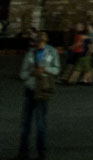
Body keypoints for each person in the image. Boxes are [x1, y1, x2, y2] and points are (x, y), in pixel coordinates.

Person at [17, 29, 61, 160]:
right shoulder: (30, 54)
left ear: (45, 41)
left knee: (41, 123)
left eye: (42, 41)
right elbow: (22, 74)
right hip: (30, 90)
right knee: (25, 123)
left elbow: (57, 69)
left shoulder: (52, 52)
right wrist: (31, 73)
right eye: (38, 41)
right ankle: (23, 152)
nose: (40, 44)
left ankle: (41, 152)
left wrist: (45, 69)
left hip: (43, 90)